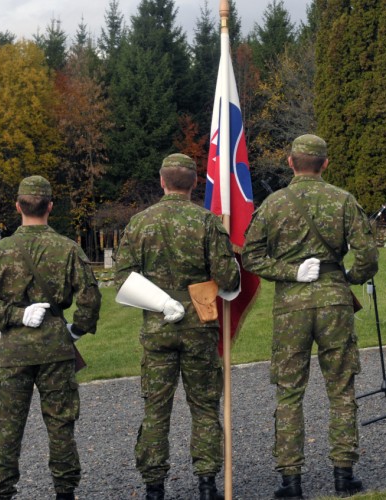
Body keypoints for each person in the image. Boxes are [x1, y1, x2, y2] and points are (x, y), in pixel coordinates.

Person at [242, 135, 377, 499]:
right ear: (325, 164)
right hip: (335, 301)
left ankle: (291, 481)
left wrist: (289, 272)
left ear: (290, 162)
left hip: (292, 307)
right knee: (341, 389)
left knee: (289, 393)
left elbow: (251, 258)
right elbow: (368, 255)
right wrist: (348, 278)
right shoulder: (344, 201)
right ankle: (343, 476)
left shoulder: (273, 205)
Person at [114, 154, 241, 500]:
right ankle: (207, 483)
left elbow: (121, 276)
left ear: (161, 181)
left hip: (158, 326)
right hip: (200, 325)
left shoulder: (140, 223)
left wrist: (161, 302)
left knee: (156, 408)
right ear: (195, 183)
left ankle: (154, 486)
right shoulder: (207, 222)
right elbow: (228, 278)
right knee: (203, 406)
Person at [0, 175, 101, 500]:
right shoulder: (68, 249)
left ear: (17, 207)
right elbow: (90, 296)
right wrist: (77, 328)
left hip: (15, 350)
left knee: (8, 428)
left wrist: (14, 316)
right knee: (60, 426)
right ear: (50, 207)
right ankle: (65, 492)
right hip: (57, 347)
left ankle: (0, 493)